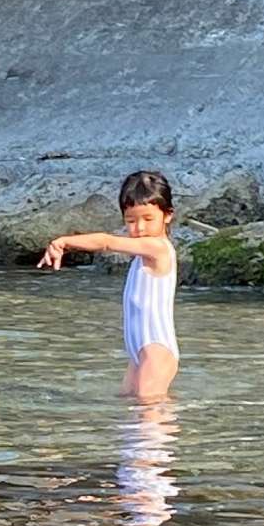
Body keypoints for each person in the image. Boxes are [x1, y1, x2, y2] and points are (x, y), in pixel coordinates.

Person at [37, 171, 180, 401]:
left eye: (148, 219)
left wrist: (64, 242)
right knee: (129, 413)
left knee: (149, 417)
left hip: (156, 350)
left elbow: (106, 242)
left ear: (167, 215)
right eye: (131, 221)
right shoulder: (140, 256)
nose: (139, 228)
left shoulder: (158, 248)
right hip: (138, 352)